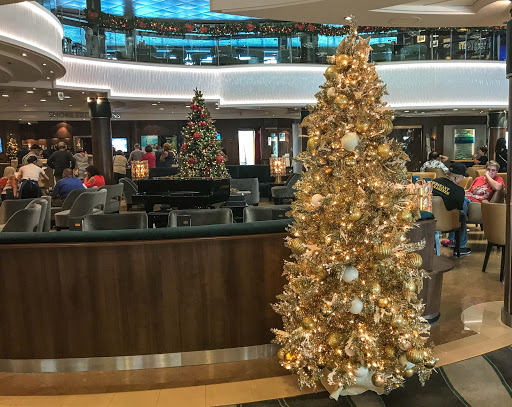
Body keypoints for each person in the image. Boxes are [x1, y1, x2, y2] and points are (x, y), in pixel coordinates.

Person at [432, 162, 471, 256]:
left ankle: (449, 240)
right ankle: (460, 246)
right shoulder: (459, 191)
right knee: (461, 214)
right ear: (456, 178)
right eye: (462, 177)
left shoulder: (435, 181)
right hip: (446, 221)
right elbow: (459, 208)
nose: (462, 179)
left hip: (431, 218)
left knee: (464, 202)